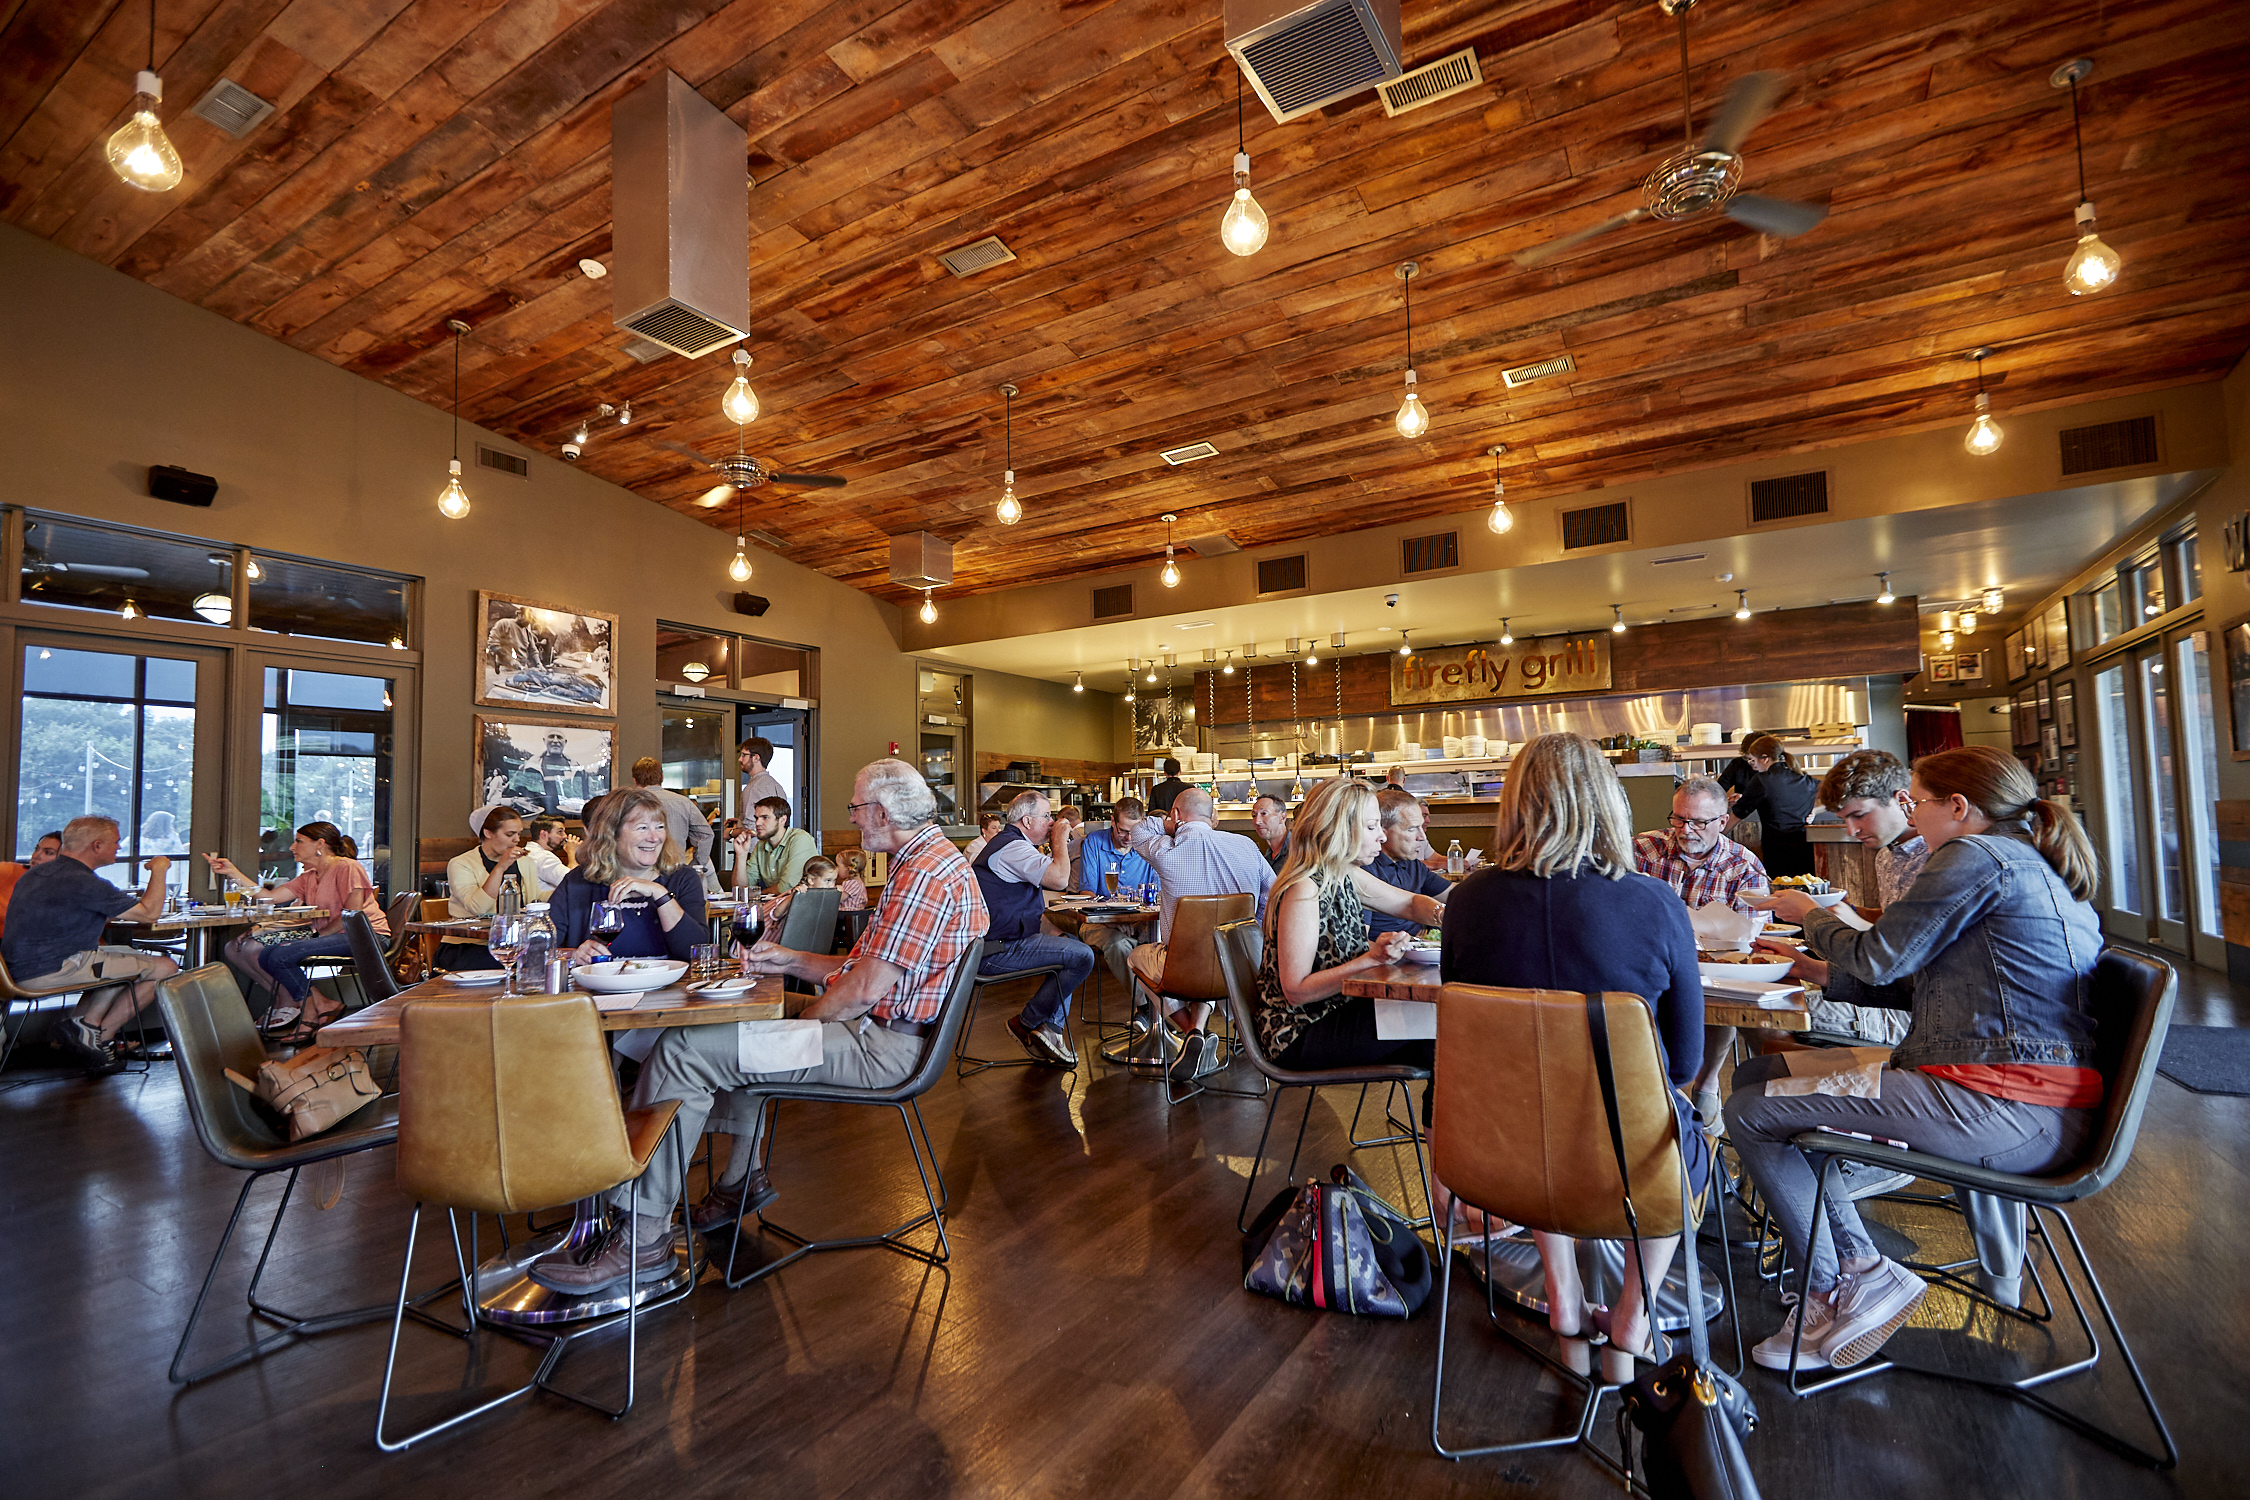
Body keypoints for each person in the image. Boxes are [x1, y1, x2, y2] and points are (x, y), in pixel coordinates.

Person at [529, 760, 984, 1295]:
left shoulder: (921, 876)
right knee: (745, 1020)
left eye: (856, 808)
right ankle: (739, 1180)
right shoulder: (930, 861)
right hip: (884, 1030)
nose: (854, 820)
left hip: (882, 1046)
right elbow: (860, 973)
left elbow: (860, 993)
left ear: (882, 812)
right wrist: (789, 961)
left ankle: (644, 1240)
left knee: (682, 1051)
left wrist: (791, 1031)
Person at [1726, 747, 2105, 1374]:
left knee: (1749, 1109)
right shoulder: (2023, 861)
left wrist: (1812, 914)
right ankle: (1843, 1276)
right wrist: (1820, 970)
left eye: (1917, 801)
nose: (1910, 810)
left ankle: (1847, 1278)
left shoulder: (1975, 856)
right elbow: (1916, 981)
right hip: (2018, 1098)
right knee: (1759, 1076)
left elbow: (1878, 958)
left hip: (1999, 1104)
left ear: (1958, 808)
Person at [1440, 732, 1709, 1383]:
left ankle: (1563, 1300)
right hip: (1631, 1165)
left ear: (1512, 805)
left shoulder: (1467, 904)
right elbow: (1683, 1062)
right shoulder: (1653, 902)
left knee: (1540, 1111)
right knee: (1676, 1126)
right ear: (1606, 804)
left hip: (1499, 1159)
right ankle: (1631, 1320)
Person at [1253, 777, 1444, 1080]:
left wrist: (1451, 916)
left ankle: (1439, 1127)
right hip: (1298, 1032)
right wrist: (1373, 959)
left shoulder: (1341, 873)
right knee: (1443, 1031)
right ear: (1338, 829)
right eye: (1371, 827)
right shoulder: (1304, 888)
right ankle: (1442, 1128)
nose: (1382, 837)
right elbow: (1296, 991)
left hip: (1337, 1012)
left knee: (1442, 1031)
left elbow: (1408, 904)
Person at [1757, 750, 1925, 1046]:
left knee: (1766, 1015)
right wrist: (1851, 911)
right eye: (1844, 819)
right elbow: (1893, 917)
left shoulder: (1935, 859)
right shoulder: (1887, 852)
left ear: (1902, 800)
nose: (1851, 830)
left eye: (1859, 815)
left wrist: (1816, 916)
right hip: (1882, 988)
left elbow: (1903, 955)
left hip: (1912, 1011)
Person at [1632, 775, 1771, 1120]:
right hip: (1648, 961)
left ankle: (1706, 1084)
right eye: (1678, 819)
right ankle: (1651, 1089)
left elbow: (1754, 940)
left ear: (1723, 821)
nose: (1686, 829)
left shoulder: (1744, 867)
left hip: (1712, 970)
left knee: (1721, 992)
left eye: (1698, 822)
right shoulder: (1641, 849)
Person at [1128, 786, 1288, 1076]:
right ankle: (1198, 1032)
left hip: (1184, 969)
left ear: (1176, 815)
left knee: (1136, 956)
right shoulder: (1246, 846)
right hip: (1238, 969)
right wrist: (1251, 929)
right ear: (1212, 815)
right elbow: (1276, 895)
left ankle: (1191, 1031)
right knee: (1216, 949)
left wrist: (1167, 822)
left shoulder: (1167, 851)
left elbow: (1138, 830)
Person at [2, 818, 175, 1072]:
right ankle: (96, 1037)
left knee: (124, 957)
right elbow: (150, 914)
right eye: (115, 842)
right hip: (49, 971)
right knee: (166, 967)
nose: (118, 847)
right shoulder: (83, 881)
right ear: (97, 846)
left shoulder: (37, 874)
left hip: (12, 971)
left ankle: (81, 1031)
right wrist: (159, 869)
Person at [205, 823, 387, 1043]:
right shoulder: (310, 876)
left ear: (320, 844)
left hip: (366, 937)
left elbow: (352, 912)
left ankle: (310, 1013)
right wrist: (232, 872)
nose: (292, 847)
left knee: (280, 956)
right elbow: (268, 897)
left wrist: (317, 936)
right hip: (333, 936)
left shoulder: (347, 867)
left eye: (299, 841)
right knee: (266, 955)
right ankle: (320, 1005)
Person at [971, 791, 1095, 1067]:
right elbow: (1060, 878)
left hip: (998, 942)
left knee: (1069, 949)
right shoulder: (1013, 848)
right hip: (995, 950)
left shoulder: (1013, 844)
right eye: (1047, 816)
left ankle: (1050, 1030)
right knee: (1082, 956)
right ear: (1027, 820)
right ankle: (1028, 1022)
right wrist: (1060, 838)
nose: (1052, 822)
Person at [549, 790, 710, 962]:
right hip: (597, 987)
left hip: (669, 987)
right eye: (642, 828)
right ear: (612, 833)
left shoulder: (682, 878)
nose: (654, 838)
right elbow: (538, 950)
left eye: (660, 827)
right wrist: (573, 955)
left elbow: (696, 952)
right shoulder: (578, 882)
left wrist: (660, 895)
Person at [437, 808, 549, 972]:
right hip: (469, 947)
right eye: (510, 834)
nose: (516, 840)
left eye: (518, 834)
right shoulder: (461, 864)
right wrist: (501, 867)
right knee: (529, 965)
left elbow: (535, 899)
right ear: (488, 833)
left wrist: (564, 890)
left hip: (514, 944)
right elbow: (478, 908)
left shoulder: (526, 862)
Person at [1075, 797, 1156, 993]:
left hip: (1142, 922)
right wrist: (1110, 920)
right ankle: (1147, 1008)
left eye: (1134, 832)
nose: (1129, 838)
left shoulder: (1149, 846)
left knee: (1159, 944)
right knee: (1119, 944)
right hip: (1098, 922)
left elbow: (1157, 894)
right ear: (1113, 821)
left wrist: (1139, 923)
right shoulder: (1094, 842)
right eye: (1123, 831)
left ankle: (1159, 1012)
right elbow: (1087, 894)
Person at [1726, 733, 1817, 877]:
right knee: (1806, 889)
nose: (1753, 765)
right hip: (1805, 848)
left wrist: (1716, 838)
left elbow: (1737, 815)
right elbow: (1827, 792)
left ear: (1765, 758)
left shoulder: (1762, 780)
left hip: (1777, 850)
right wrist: (1816, 810)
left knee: (1781, 893)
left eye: (1753, 760)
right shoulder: (1803, 778)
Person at [1366, 789, 1453, 937]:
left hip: (1420, 948)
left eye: (1421, 827)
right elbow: (1360, 944)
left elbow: (1455, 894)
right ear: (1383, 831)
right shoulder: (1365, 868)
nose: (1422, 837)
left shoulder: (1412, 864)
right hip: (1388, 956)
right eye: (1412, 829)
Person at [629, 756, 715, 880]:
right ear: (662, 777)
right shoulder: (684, 802)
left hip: (638, 874)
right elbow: (706, 835)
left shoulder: (628, 804)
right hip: (676, 873)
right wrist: (695, 867)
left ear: (635, 780)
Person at [730, 796, 817, 898]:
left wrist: (759, 894)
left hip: (804, 907)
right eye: (757, 818)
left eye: (765, 817)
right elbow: (741, 890)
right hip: (777, 908)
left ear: (782, 820)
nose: (757, 823)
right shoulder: (761, 845)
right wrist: (741, 855)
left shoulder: (800, 839)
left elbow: (787, 887)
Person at [0, 830, 64, 946]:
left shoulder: (71, 887)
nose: (36, 856)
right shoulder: (10, 871)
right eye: (36, 849)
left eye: (48, 853)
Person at [738, 735, 788, 820]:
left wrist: (732, 832)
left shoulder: (754, 788)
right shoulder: (777, 786)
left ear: (756, 758)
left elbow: (752, 829)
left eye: (743, 755)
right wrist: (739, 822)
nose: (740, 759)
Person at [523, 814, 577, 889]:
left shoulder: (526, 851)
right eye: (560, 832)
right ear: (543, 834)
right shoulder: (544, 857)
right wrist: (572, 852)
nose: (565, 836)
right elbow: (572, 881)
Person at [1251, 794, 1291, 871]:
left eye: (1264, 813)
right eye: (1254, 815)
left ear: (1282, 817)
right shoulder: (1266, 856)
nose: (1257, 821)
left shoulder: (1299, 851)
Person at [835, 847, 871, 912]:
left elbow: (837, 900)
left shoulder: (853, 883)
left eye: (838, 865)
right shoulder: (857, 882)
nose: (836, 868)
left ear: (848, 868)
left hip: (847, 917)